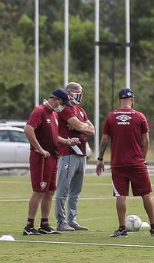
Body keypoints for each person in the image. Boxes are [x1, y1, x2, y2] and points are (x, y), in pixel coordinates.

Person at [98, 88, 154, 237]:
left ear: (119, 100)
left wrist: (100, 159)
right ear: (133, 100)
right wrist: (142, 158)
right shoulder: (139, 116)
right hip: (136, 162)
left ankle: (122, 229)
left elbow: (104, 140)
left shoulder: (111, 117)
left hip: (118, 163)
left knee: (120, 195)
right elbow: (145, 141)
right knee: (146, 194)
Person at [24, 89, 76, 235]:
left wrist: (66, 141)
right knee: (39, 190)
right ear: (54, 99)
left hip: (53, 157)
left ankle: (44, 224)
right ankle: (29, 226)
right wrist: (39, 149)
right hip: (41, 158)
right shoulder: (39, 111)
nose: (62, 106)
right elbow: (28, 129)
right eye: (61, 103)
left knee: (50, 191)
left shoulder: (53, 114)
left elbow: (53, 135)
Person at [55, 81, 95, 232]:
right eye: (78, 92)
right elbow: (80, 126)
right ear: (69, 93)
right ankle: (61, 221)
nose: (80, 95)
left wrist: (81, 125)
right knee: (63, 189)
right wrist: (82, 126)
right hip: (69, 153)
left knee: (76, 191)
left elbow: (92, 129)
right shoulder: (65, 110)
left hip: (81, 154)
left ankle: (72, 220)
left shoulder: (80, 110)